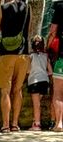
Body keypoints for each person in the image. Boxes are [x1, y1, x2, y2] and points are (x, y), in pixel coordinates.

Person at [0, 0, 31, 133]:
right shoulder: (27, 8)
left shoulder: (3, 8)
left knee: (5, 90)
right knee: (18, 89)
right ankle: (15, 124)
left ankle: (5, 125)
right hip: (23, 53)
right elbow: (29, 30)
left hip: (6, 53)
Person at [27, 35, 52, 130]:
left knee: (36, 104)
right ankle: (35, 122)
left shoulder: (31, 56)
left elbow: (28, 70)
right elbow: (50, 72)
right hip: (44, 81)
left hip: (34, 81)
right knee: (38, 102)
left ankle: (37, 125)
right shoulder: (46, 56)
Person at [47, 0, 63, 130]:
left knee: (58, 92)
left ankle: (59, 123)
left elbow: (53, 30)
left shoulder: (60, 6)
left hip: (62, 57)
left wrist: (47, 46)